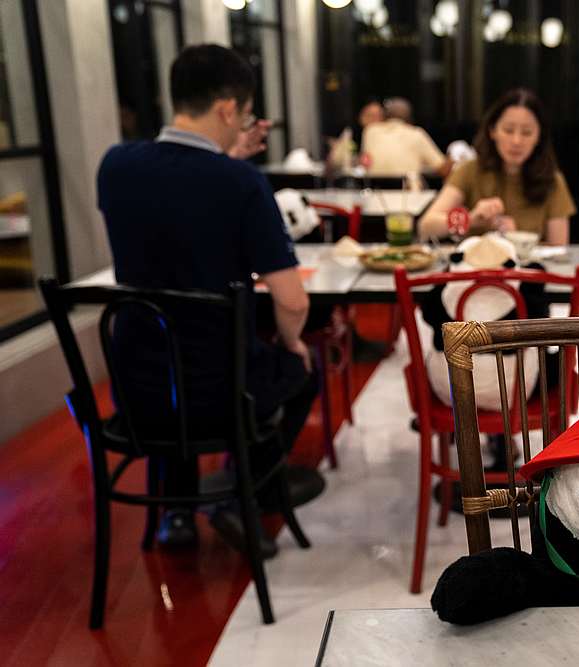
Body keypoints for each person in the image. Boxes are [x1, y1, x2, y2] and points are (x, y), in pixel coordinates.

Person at [96, 44, 322, 555]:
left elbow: (175, 212)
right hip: (220, 393)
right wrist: (293, 344)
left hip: (137, 392)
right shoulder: (241, 184)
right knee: (299, 369)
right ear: (227, 109)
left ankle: (173, 514)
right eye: (243, 115)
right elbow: (291, 301)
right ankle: (243, 498)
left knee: (172, 355)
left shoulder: (115, 165)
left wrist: (229, 163)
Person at [419, 88, 575, 245]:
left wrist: (518, 239)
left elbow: (559, 248)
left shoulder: (552, 181)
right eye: (508, 130)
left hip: (529, 268)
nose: (516, 141)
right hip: (476, 267)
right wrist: (470, 219)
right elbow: (426, 226)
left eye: (527, 133)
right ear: (493, 131)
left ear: (539, 137)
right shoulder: (469, 170)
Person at [361, 97, 450, 177]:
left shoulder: (370, 131)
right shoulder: (417, 134)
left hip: (375, 192)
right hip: (407, 193)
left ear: (385, 116)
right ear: (409, 118)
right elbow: (443, 168)